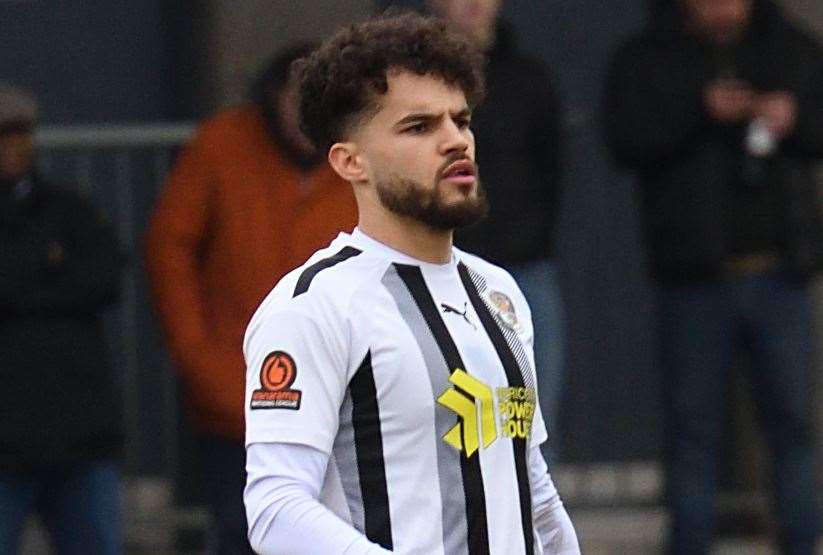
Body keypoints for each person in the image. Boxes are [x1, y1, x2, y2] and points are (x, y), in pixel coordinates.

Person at [243, 13, 580, 554]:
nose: (456, 141)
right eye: (419, 127)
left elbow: (533, 488)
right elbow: (276, 509)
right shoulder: (315, 306)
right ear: (351, 162)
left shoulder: (500, 293)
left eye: (461, 120)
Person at [604, 0, 823, 553]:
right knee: (693, 430)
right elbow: (624, 137)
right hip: (693, 278)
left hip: (780, 271)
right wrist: (698, 109)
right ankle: (690, 543)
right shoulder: (648, 56)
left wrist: (793, 118)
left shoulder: (793, 49)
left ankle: (802, 539)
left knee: (794, 424)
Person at [144, 43, 358, 554]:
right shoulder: (221, 146)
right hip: (234, 400)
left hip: (339, 404)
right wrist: (201, 359)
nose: (306, 117)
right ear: (271, 95)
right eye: (297, 99)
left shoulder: (356, 157)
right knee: (244, 534)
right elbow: (169, 250)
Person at [425, 0, 566, 463]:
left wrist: (532, 237)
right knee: (446, 412)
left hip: (522, 268)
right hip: (438, 270)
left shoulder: (529, 78)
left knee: (526, 417)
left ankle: (526, 526)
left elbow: (554, 172)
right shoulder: (415, 84)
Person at [0, 84, 124, 554]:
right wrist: (48, 268)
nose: (13, 146)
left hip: (78, 432)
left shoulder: (68, 208)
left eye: (20, 134)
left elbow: (104, 278)